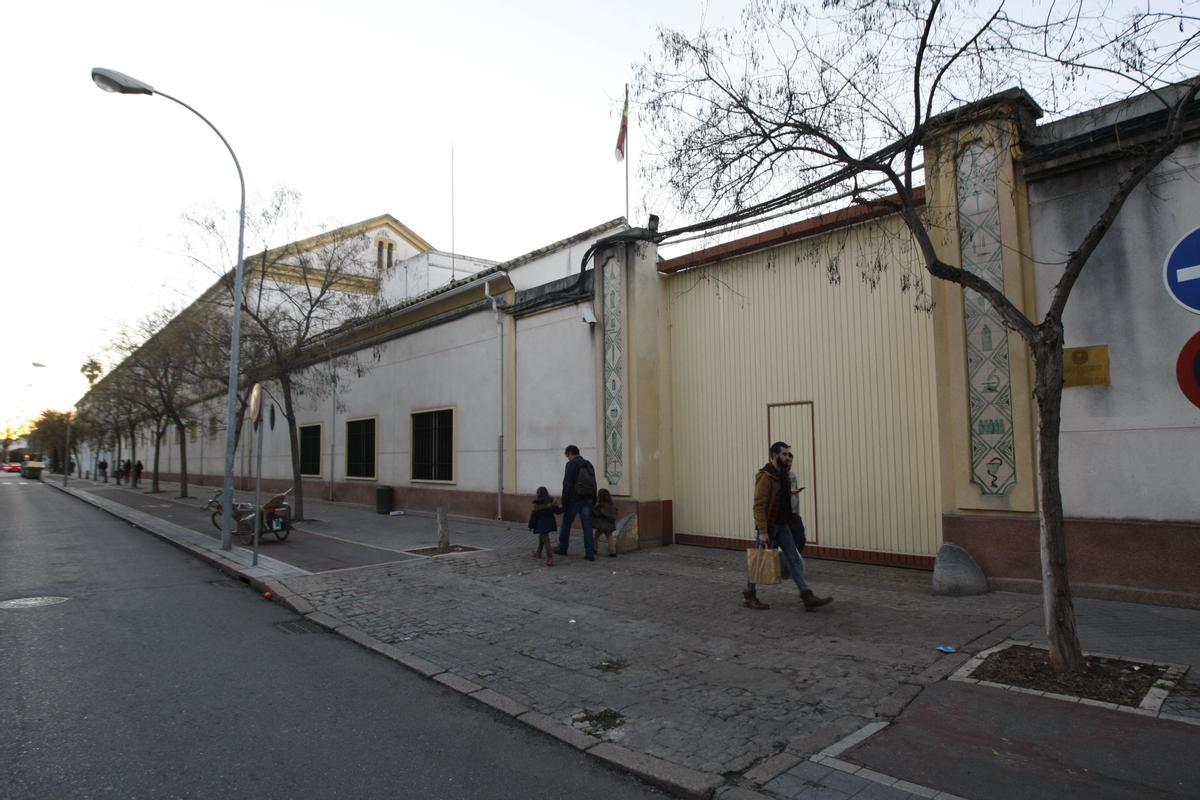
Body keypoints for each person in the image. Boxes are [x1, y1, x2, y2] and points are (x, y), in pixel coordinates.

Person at [743, 441, 832, 612]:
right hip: (769, 527)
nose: (787, 457)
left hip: (783, 526)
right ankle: (750, 595)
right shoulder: (766, 476)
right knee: (758, 562)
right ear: (775, 455)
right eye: (783, 454)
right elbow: (759, 505)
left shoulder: (782, 475)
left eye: (788, 454)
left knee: (794, 559)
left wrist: (790, 494)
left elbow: (780, 496)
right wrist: (762, 531)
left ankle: (807, 595)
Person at [555, 444, 597, 560]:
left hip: (574, 500)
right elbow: (594, 483)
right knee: (587, 527)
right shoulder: (588, 464)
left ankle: (563, 548)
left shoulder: (571, 464)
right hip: (587, 499)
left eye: (567, 456)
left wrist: (564, 502)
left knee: (566, 524)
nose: (568, 458)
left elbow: (567, 485)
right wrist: (594, 499)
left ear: (570, 454)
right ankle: (590, 553)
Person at [528, 487, 561, 566]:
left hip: (541, 525)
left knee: (546, 541)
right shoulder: (551, 502)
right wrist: (563, 507)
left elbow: (533, 516)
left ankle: (550, 558)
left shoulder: (537, 504)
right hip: (550, 524)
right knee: (542, 537)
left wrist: (531, 526)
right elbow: (558, 511)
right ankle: (538, 552)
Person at [592, 488, 619, 557]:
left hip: (601, 525)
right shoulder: (611, 505)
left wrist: (594, 508)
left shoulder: (600, 505)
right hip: (609, 525)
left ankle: (594, 549)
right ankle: (612, 551)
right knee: (610, 537)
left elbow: (596, 514)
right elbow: (615, 514)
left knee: (596, 536)